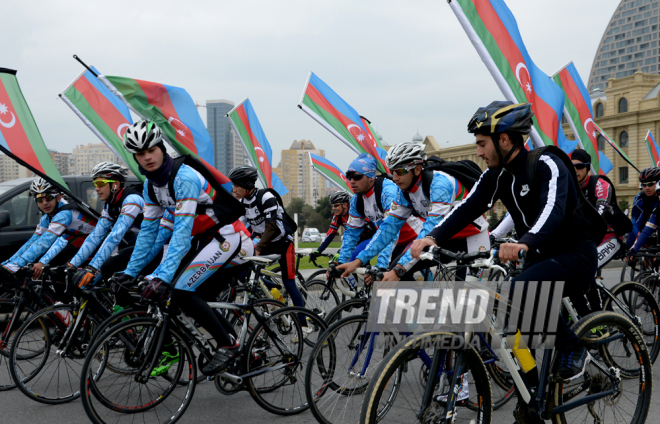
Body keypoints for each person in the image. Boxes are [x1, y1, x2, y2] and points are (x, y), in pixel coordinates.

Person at [411, 101, 605, 392]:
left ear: (504, 139)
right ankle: (533, 395)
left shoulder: (546, 163)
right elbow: (466, 208)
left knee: (521, 292)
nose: (478, 152)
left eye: (481, 144)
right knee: (510, 322)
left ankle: (574, 350)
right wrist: (434, 237)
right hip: (540, 257)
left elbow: (554, 209)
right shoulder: (496, 176)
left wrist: (524, 242)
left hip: (575, 254)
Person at [117, 119, 254, 377]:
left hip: (226, 236)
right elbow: (148, 232)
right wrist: (131, 270)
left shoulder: (184, 178)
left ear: (161, 148)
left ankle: (229, 344)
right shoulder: (150, 186)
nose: (147, 157)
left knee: (180, 289)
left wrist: (163, 277)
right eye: (140, 153)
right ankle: (240, 347)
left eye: (151, 150)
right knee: (186, 294)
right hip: (203, 239)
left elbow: (180, 233)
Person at [338, 142, 490, 281]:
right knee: (396, 270)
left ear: (417, 169)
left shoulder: (440, 184)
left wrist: (398, 271)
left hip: (471, 237)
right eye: (392, 172)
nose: (395, 177)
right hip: (444, 239)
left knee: (464, 298)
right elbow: (388, 228)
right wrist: (358, 261)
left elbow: (431, 229)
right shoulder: (403, 191)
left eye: (400, 171)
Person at [228, 166, 308, 318]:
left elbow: (271, 228)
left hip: (282, 243)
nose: (234, 189)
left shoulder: (266, 197)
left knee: (289, 283)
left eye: (237, 186)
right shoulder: (244, 202)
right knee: (241, 273)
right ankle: (272, 288)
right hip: (263, 242)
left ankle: (303, 323)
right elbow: (239, 227)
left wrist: (257, 249)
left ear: (248, 185)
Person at [335, 153, 422, 278]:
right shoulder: (356, 200)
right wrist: (341, 262)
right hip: (390, 243)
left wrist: (381, 265)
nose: (352, 181)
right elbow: (351, 234)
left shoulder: (388, 191)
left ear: (371, 176)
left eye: (357, 177)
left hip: (413, 239)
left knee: (397, 280)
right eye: (349, 177)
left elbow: (391, 231)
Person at [1, 177, 96, 281]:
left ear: (58, 197)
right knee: (60, 277)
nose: (45, 203)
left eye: (49, 197)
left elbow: (45, 241)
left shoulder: (65, 214)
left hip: (99, 247)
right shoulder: (48, 216)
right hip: (82, 246)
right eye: (40, 199)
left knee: (69, 280)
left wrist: (18, 264)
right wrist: (9, 262)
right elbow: (33, 241)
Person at [68, 162, 145, 287]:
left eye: (100, 184)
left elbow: (115, 235)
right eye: (94, 184)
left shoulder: (132, 200)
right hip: (138, 242)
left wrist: (92, 268)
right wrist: (72, 264)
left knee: (109, 267)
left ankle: (122, 306)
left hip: (156, 244)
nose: (96, 188)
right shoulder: (110, 204)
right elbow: (96, 235)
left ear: (115, 184)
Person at [570, 149, 628, 269]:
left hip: (608, 237)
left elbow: (599, 213)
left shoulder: (600, 184)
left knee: (586, 267)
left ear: (587, 167)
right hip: (587, 239)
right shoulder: (571, 187)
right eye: (572, 166)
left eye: (579, 166)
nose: (575, 170)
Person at [310, 191, 351, 262]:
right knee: (335, 265)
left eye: (336, 205)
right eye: (332, 205)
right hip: (353, 241)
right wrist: (318, 250)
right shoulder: (337, 216)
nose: (333, 208)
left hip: (364, 239)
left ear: (345, 204)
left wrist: (340, 251)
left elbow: (353, 236)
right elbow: (330, 233)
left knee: (344, 263)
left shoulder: (353, 213)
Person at [626, 166, 660, 249]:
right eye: (643, 185)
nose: (647, 188)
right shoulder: (639, 198)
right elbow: (635, 223)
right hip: (644, 230)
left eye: (651, 184)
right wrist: (629, 247)